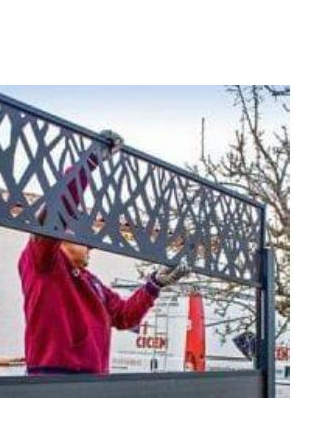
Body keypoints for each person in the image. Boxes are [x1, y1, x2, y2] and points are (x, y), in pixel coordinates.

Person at [17, 130, 190, 375]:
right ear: (61, 240)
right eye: (84, 241)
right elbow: (57, 211)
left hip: (94, 380)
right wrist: (89, 161)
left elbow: (125, 317)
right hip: (53, 376)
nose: (90, 247)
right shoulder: (43, 262)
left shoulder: (92, 282)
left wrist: (155, 284)